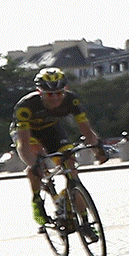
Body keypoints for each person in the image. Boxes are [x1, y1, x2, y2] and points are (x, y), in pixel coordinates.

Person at [12, 68, 109, 225]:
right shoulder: (26, 106)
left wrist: (97, 149)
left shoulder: (71, 100)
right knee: (37, 163)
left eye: (59, 93)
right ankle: (37, 200)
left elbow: (86, 130)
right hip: (28, 133)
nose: (56, 98)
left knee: (71, 169)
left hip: (52, 130)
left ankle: (83, 220)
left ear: (66, 90)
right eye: (50, 94)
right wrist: (33, 164)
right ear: (39, 91)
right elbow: (23, 144)